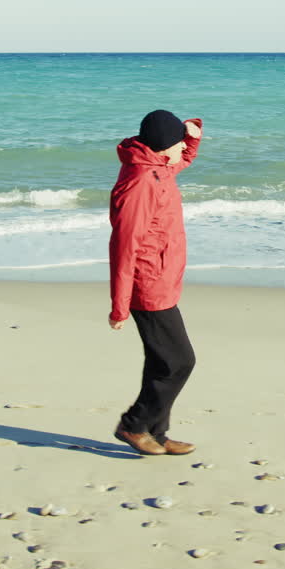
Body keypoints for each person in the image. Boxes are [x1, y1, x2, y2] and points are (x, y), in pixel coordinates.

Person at [108, 109, 204, 456]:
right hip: (146, 286)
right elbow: (123, 247)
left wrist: (191, 135)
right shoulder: (141, 183)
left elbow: (183, 160)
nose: (183, 149)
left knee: (160, 362)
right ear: (164, 147)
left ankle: (157, 433)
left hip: (162, 279)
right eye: (179, 142)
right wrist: (119, 306)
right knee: (180, 361)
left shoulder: (158, 168)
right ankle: (134, 425)